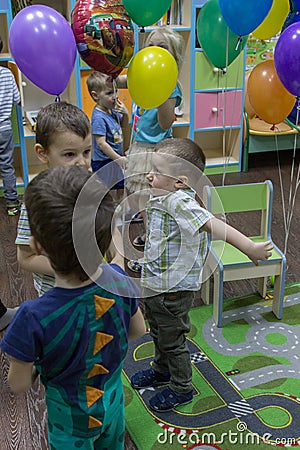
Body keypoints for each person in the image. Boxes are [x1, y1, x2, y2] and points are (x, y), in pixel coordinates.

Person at [1, 165, 146, 449]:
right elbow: (138, 329)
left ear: (37, 245)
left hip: (69, 421)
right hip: (113, 402)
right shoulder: (120, 281)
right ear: (105, 239)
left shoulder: (32, 317)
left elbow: (18, 385)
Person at [130, 137, 274, 412]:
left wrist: (249, 247)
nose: (149, 175)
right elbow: (164, 233)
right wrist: (147, 241)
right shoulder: (162, 196)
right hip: (156, 285)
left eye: (157, 172)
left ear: (181, 182)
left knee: (173, 341)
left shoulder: (180, 202)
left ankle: (182, 388)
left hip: (173, 290)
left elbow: (214, 225)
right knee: (160, 333)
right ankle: (161, 371)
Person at [117, 26, 184, 260]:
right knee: (140, 199)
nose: (154, 52)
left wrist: (162, 92)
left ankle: (156, 246)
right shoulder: (141, 74)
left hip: (154, 151)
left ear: (174, 58)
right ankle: (151, 235)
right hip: (138, 146)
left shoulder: (170, 86)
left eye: (162, 47)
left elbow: (165, 124)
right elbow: (120, 80)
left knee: (150, 201)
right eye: (150, 46)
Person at [15, 101, 93, 296]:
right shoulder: (38, 200)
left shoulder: (92, 187)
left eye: (86, 152)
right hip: (57, 296)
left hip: (94, 286)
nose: (82, 163)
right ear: (42, 153)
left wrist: (116, 258)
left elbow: (107, 224)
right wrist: (74, 270)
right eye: (69, 154)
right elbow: (25, 258)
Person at [86, 71, 129, 202]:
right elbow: (101, 143)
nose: (115, 96)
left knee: (121, 186)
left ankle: (118, 209)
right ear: (95, 96)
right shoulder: (99, 117)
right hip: (104, 162)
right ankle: (108, 214)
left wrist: (126, 114)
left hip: (115, 158)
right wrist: (119, 159)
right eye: (109, 93)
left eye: (115, 91)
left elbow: (123, 125)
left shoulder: (111, 109)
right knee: (107, 191)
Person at [0, 35, 21, 216]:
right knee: (7, 165)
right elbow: (17, 99)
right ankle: (12, 204)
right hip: (4, 127)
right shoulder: (7, 73)